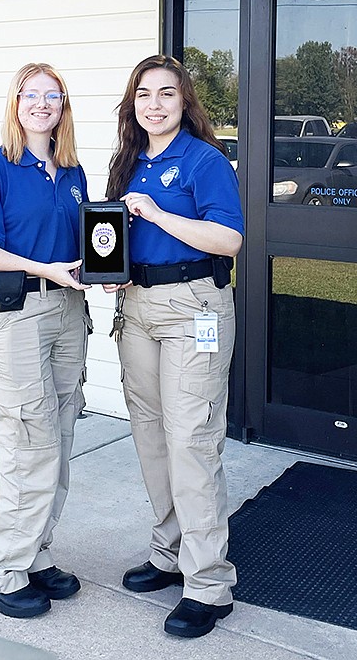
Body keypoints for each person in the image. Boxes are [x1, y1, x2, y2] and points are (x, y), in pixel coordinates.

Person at [105, 54, 244, 639]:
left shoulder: (205, 161)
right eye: (143, 94)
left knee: (193, 441)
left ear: (185, 101)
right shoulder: (129, 162)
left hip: (194, 310)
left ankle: (208, 584)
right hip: (137, 310)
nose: (154, 104)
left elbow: (229, 239)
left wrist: (159, 215)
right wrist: (109, 270)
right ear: (132, 103)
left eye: (166, 93)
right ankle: (169, 552)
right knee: (152, 437)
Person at [0, 62, 91, 619]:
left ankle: (33, 554)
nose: (41, 103)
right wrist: (46, 268)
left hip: (66, 311)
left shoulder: (73, 171)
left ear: (63, 106)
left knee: (57, 436)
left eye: (51, 95)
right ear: (15, 104)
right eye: (29, 94)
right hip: (17, 314)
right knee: (27, 439)